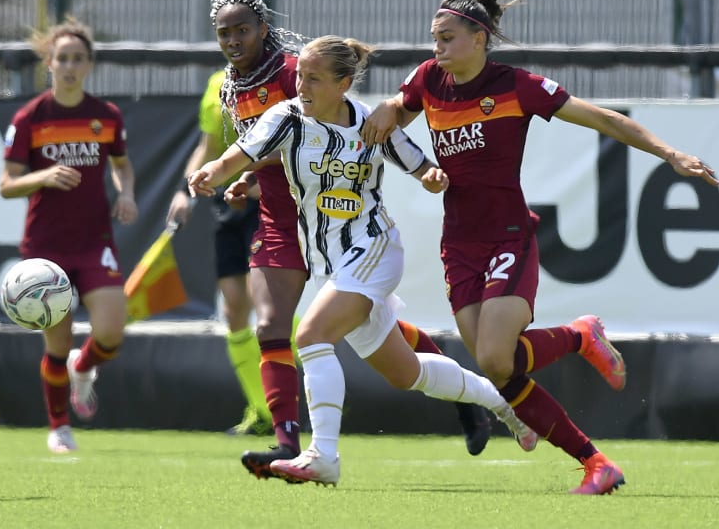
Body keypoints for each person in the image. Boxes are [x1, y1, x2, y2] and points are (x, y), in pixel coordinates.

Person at [362, 0, 719, 495]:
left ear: (480, 39)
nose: (437, 47)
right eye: (434, 39)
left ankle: (579, 344)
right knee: (499, 366)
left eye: (447, 38)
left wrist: (669, 153)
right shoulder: (427, 80)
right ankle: (598, 460)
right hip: (458, 243)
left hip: (509, 233)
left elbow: (603, 119)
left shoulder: (517, 86)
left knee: (492, 359)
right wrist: (386, 109)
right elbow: (396, 114)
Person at [189, 36, 538, 486]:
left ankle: (323, 456)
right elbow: (240, 153)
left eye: (313, 78)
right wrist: (213, 173)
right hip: (333, 263)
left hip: (373, 247)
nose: (301, 86)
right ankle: (503, 404)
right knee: (406, 373)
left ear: (344, 84)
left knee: (313, 335)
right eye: (299, 76)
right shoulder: (287, 117)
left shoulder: (372, 123)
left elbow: (420, 167)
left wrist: (432, 177)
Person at [0, 18, 138, 454]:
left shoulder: (106, 116)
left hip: (95, 240)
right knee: (56, 343)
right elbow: (6, 185)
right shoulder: (30, 118)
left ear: (89, 64)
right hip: (47, 249)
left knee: (112, 330)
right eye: (63, 58)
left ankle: (85, 365)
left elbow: (122, 164)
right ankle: (59, 426)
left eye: (79, 58)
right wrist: (43, 176)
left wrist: (127, 193)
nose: (70, 66)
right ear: (50, 63)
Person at [165, 68, 269, 436]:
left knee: (267, 304)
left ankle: (323, 369)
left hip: (265, 198)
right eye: (225, 33)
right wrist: (184, 191)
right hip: (228, 206)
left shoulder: (277, 75)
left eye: (241, 30)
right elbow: (207, 147)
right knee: (234, 309)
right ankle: (262, 411)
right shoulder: (215, 84)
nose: (233, 40)